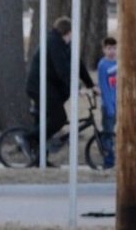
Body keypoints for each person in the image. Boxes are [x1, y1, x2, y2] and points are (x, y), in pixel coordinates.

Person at [23, 16, 93, 148]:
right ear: (67, 32)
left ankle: (39, 156)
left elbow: (78, 64)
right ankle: (27, 138)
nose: (73, 36)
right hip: (39, 87)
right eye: (72, 33)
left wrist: (91, 85)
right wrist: (77, 88)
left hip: (48, 87)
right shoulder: (54, 43)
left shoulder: (63, 45)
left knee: (46, 123)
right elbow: (62, 70)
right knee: (59, 117)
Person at [95, 36, 118, 168]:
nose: (112, 51)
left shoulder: (117, 64)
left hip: (117, 104)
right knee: (108, 133)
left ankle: (113, 157)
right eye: (109, 48)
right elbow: (103, 87)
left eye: (114, 48)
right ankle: (108, 162)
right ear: (104, 50)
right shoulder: (102, 65)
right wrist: (109, 107)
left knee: (112, 132)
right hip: (107, 105)